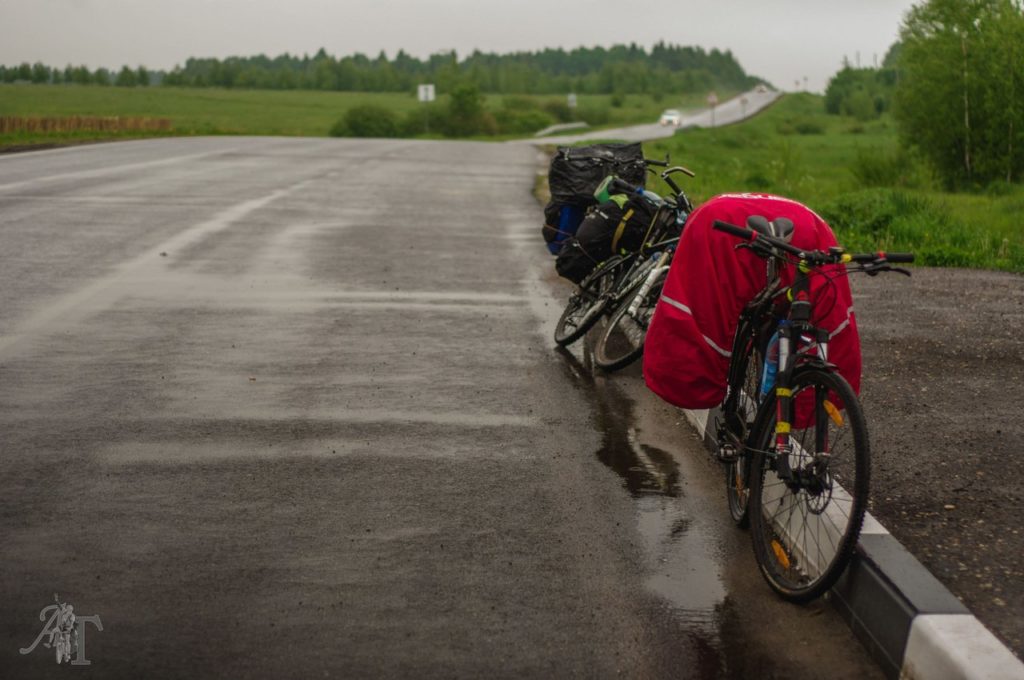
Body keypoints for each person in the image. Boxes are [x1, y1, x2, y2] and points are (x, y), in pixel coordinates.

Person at [643, 192, 861, 410]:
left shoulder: (713, 210)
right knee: (815, 307)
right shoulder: (810, 219)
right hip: (806, 225)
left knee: (706, 315)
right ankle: (791, 396)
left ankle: (714, 383)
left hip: (722, 224)